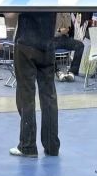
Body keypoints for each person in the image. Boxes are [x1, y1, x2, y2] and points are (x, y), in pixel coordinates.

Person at [9, 10, 61, 157]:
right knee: (49, 97)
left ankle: (28, 146)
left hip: (25, 44)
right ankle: (52, 146)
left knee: (26, 96)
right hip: (47, 45)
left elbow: (9, 14)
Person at [53, 12, 86, 82]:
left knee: (80, 45)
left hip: (63, 38)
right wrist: (59, 30)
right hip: (51, 39)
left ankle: (72, 72)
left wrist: (58, 31)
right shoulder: (49, 12)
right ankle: (57, 72)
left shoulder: (66, 12)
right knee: (47, 46)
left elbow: (66, 30)